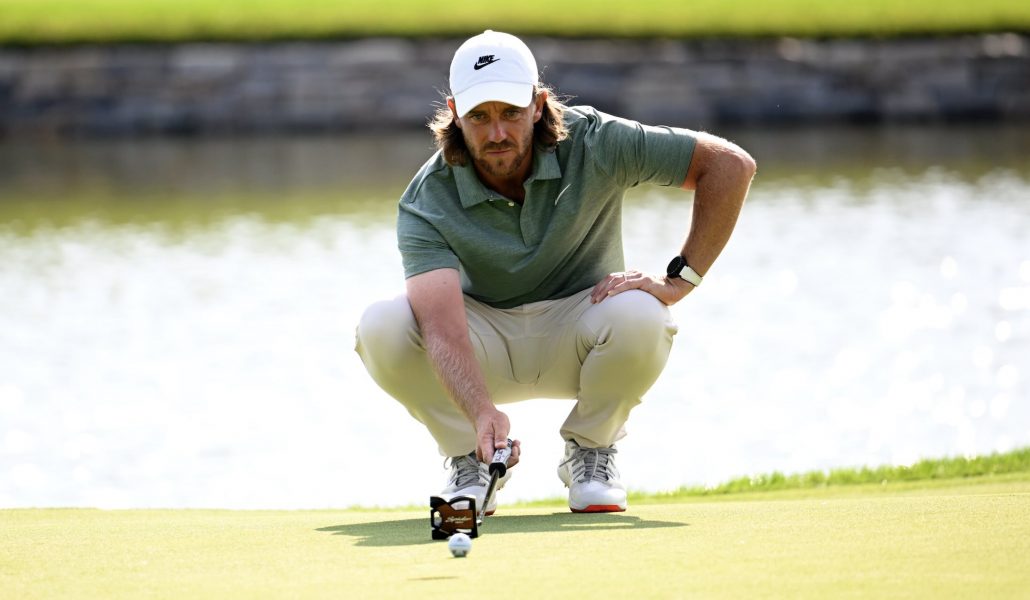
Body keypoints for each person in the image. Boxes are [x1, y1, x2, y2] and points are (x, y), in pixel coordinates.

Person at [356, 30, 755, 514]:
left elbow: (731, 166)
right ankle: (471, 460)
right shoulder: (426, 198)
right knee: (381, 326)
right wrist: (481, 414)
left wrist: (679, 281)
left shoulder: (596, 140)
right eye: (479, 117)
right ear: (455, 113)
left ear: (539, 105)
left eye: (511, 113)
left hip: (585, 328)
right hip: (482, 345)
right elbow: (441, 328)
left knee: (643, 312)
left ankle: (591, 452)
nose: (497, 133)